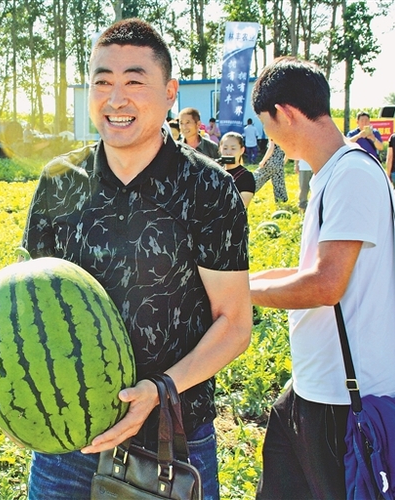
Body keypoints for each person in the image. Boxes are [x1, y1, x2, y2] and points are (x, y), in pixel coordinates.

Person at [22, 18, 252, 499]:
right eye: (102, 81)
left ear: (169, 93)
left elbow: (234, 323)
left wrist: (160, 389)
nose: (115, 97)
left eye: (134, 81)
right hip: (68, 446)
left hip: (174, 438)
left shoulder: (208, 188)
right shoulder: (58, 182)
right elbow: (29, 305)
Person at [249, 56, 395, 499]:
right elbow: (312, 271)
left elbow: (325, 285)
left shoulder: (352, 174)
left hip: (344, 399)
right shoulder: (331, 174)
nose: (269, 139)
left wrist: (246, 295)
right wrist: (240, 281)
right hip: (314, 387)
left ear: (286, 114)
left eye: (267, 125)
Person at [219, 131, 255, 207]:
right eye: (225, 148)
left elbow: (242, 205)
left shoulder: (246, 176)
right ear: (220, 149)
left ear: (242, 150)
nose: (228, 152)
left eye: (233, 148)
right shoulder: (215, 172)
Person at [253, 139, 289, 203]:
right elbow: (288, 150)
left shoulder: (272, 134)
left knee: (256, 179)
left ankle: (244, 192)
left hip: (270, 162)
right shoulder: (285, 135)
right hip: (279, 163)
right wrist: (283, 162)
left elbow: (271, 148)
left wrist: (263, 161)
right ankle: (281, 201)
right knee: (279, 184)